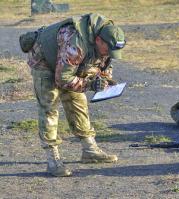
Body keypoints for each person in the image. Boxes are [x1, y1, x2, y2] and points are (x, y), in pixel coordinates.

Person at [23, 13, 126, 177]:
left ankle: (90, 150)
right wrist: (89, 84)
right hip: (44, 61)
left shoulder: (106, 41)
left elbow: (103, 63)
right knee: (49, 107)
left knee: (78, 101)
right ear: (98, 40)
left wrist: (104, 77)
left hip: (69, 66)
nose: (109, 54)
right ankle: (52, 159)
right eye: (108, 50)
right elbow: (62, 79)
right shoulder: (75, 43)